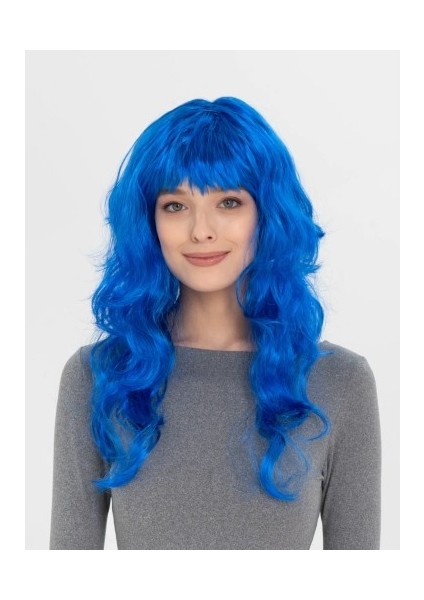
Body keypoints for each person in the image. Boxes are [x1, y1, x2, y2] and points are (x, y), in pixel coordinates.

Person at [49, 96, 382, 550]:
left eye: (228, 202)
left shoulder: (341, 382)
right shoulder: (97, 377)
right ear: (149, 223)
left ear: (267, 215)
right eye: (175, 205)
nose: (201, 230)